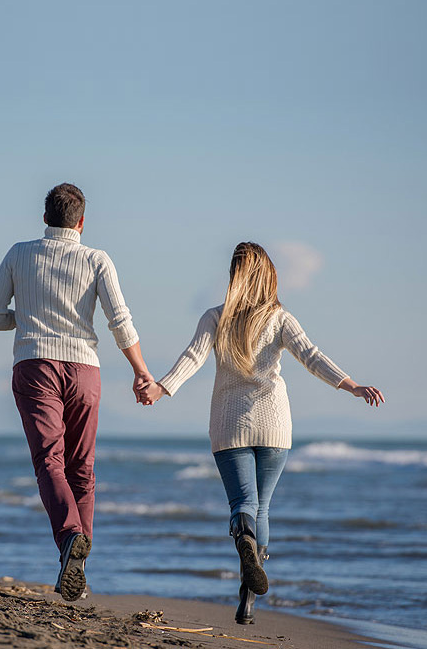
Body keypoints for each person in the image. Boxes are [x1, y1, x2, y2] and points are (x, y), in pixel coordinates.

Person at [138, 241, 384, 624]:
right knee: (263, 507)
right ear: (268, 276)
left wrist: (161, 387)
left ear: (234, 277)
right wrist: (351, 385)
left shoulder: (215, 317)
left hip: (229, 424)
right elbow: (311, 355)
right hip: (274, 425)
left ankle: (244, 540)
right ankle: (248, 600)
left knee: (243, 506)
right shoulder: (279, 318)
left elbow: (192, 358)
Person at [0, 183, 152, 602]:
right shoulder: (97, 259)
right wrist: (141, 372)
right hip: (84, 370)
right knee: (82, 469)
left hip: (35, 364)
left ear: (44, 218)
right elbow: (120, 321)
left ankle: (70, 538)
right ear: (80, 222)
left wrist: (26, 318)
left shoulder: (19, 253)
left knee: (49, 462)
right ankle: (79, 560)